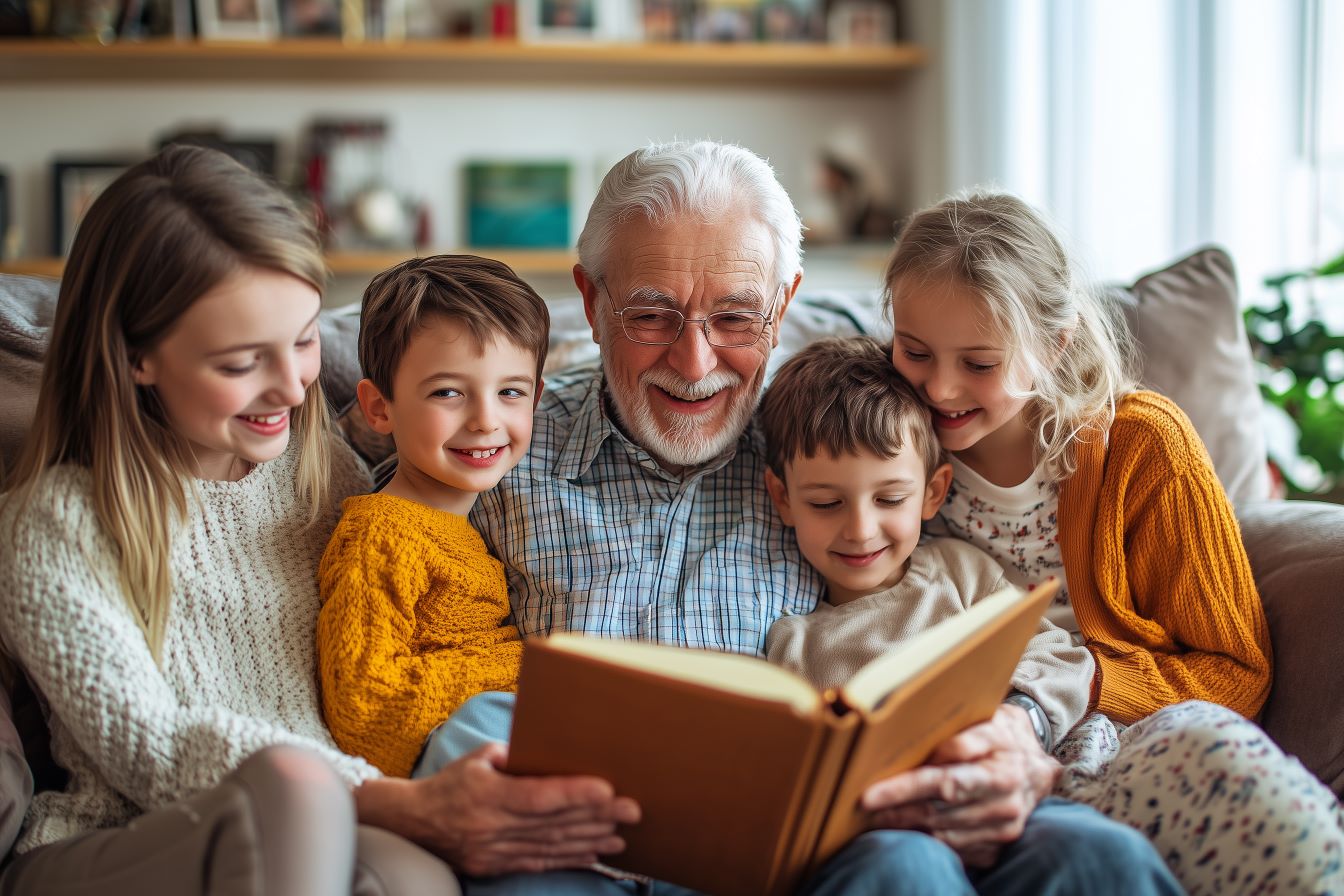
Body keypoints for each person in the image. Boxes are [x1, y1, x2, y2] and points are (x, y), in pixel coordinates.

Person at [470, 139, 1180, 895]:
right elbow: (397, 569)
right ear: (591, 302)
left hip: (811, 848)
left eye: (737, 317)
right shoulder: (498, 444)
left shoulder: (830, 432)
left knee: (1047, 860)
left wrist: (1017, 730)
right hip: (577, 852)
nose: (695, 362)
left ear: (783, 306)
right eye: (651, 315)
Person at [0, 144, 635, 894]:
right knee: (300, 794)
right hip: (122, 841)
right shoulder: (55, 521)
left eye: (302, 340)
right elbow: (150, 746)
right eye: (241, 362)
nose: (290, 388)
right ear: (137, 355)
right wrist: (402, 803)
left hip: (333, 814)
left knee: (414, 878)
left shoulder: (316, 469)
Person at [876, 190, 1344, 894]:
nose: (938, 388)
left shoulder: (1142, 447)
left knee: (1227, 768)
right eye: (914, 351)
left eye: (979, 363)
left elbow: (1235, 673)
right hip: (956, 740)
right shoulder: (886, 439)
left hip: (1119, 730)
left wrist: (1078, 684)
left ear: (1054, 344)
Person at [759, 334, 1180, 894]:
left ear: (933, 492)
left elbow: (1057, 655)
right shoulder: (790, 644)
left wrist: (1018, 716)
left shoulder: (961, 572)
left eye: (889, 499)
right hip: (881, 838)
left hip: (1009, 807)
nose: (860, 529)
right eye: (826, 503)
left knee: (1101, 852)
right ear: (783, 498)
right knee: (905, 868)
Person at [316, 254, 546, 779]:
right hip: (452, 761)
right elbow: (363, 708)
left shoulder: (473, 528)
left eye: (510, 392)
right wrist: (523, 666)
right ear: (379, 408)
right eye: (448, 392)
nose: (486, 420)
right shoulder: (382, 534)